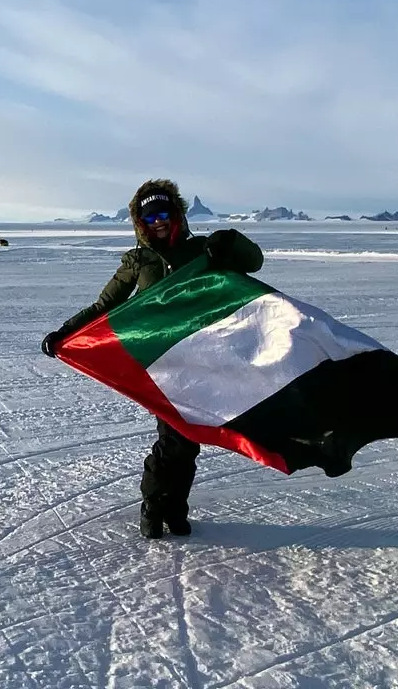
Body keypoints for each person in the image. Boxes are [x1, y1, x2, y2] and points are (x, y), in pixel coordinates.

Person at [40, 179, 263, 539]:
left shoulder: (201, 251)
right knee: (173, 436)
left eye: (164, 214)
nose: (158, 222)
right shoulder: (138, 260)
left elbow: (255, 262)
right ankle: (154, 506)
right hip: (159, 360)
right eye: (150, 217)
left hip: (198, 355)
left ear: (176, 215)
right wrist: (65, 333)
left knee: (188, 438)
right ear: (140, 223)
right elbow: (105, 306)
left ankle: (173, 507)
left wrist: (232, 241)